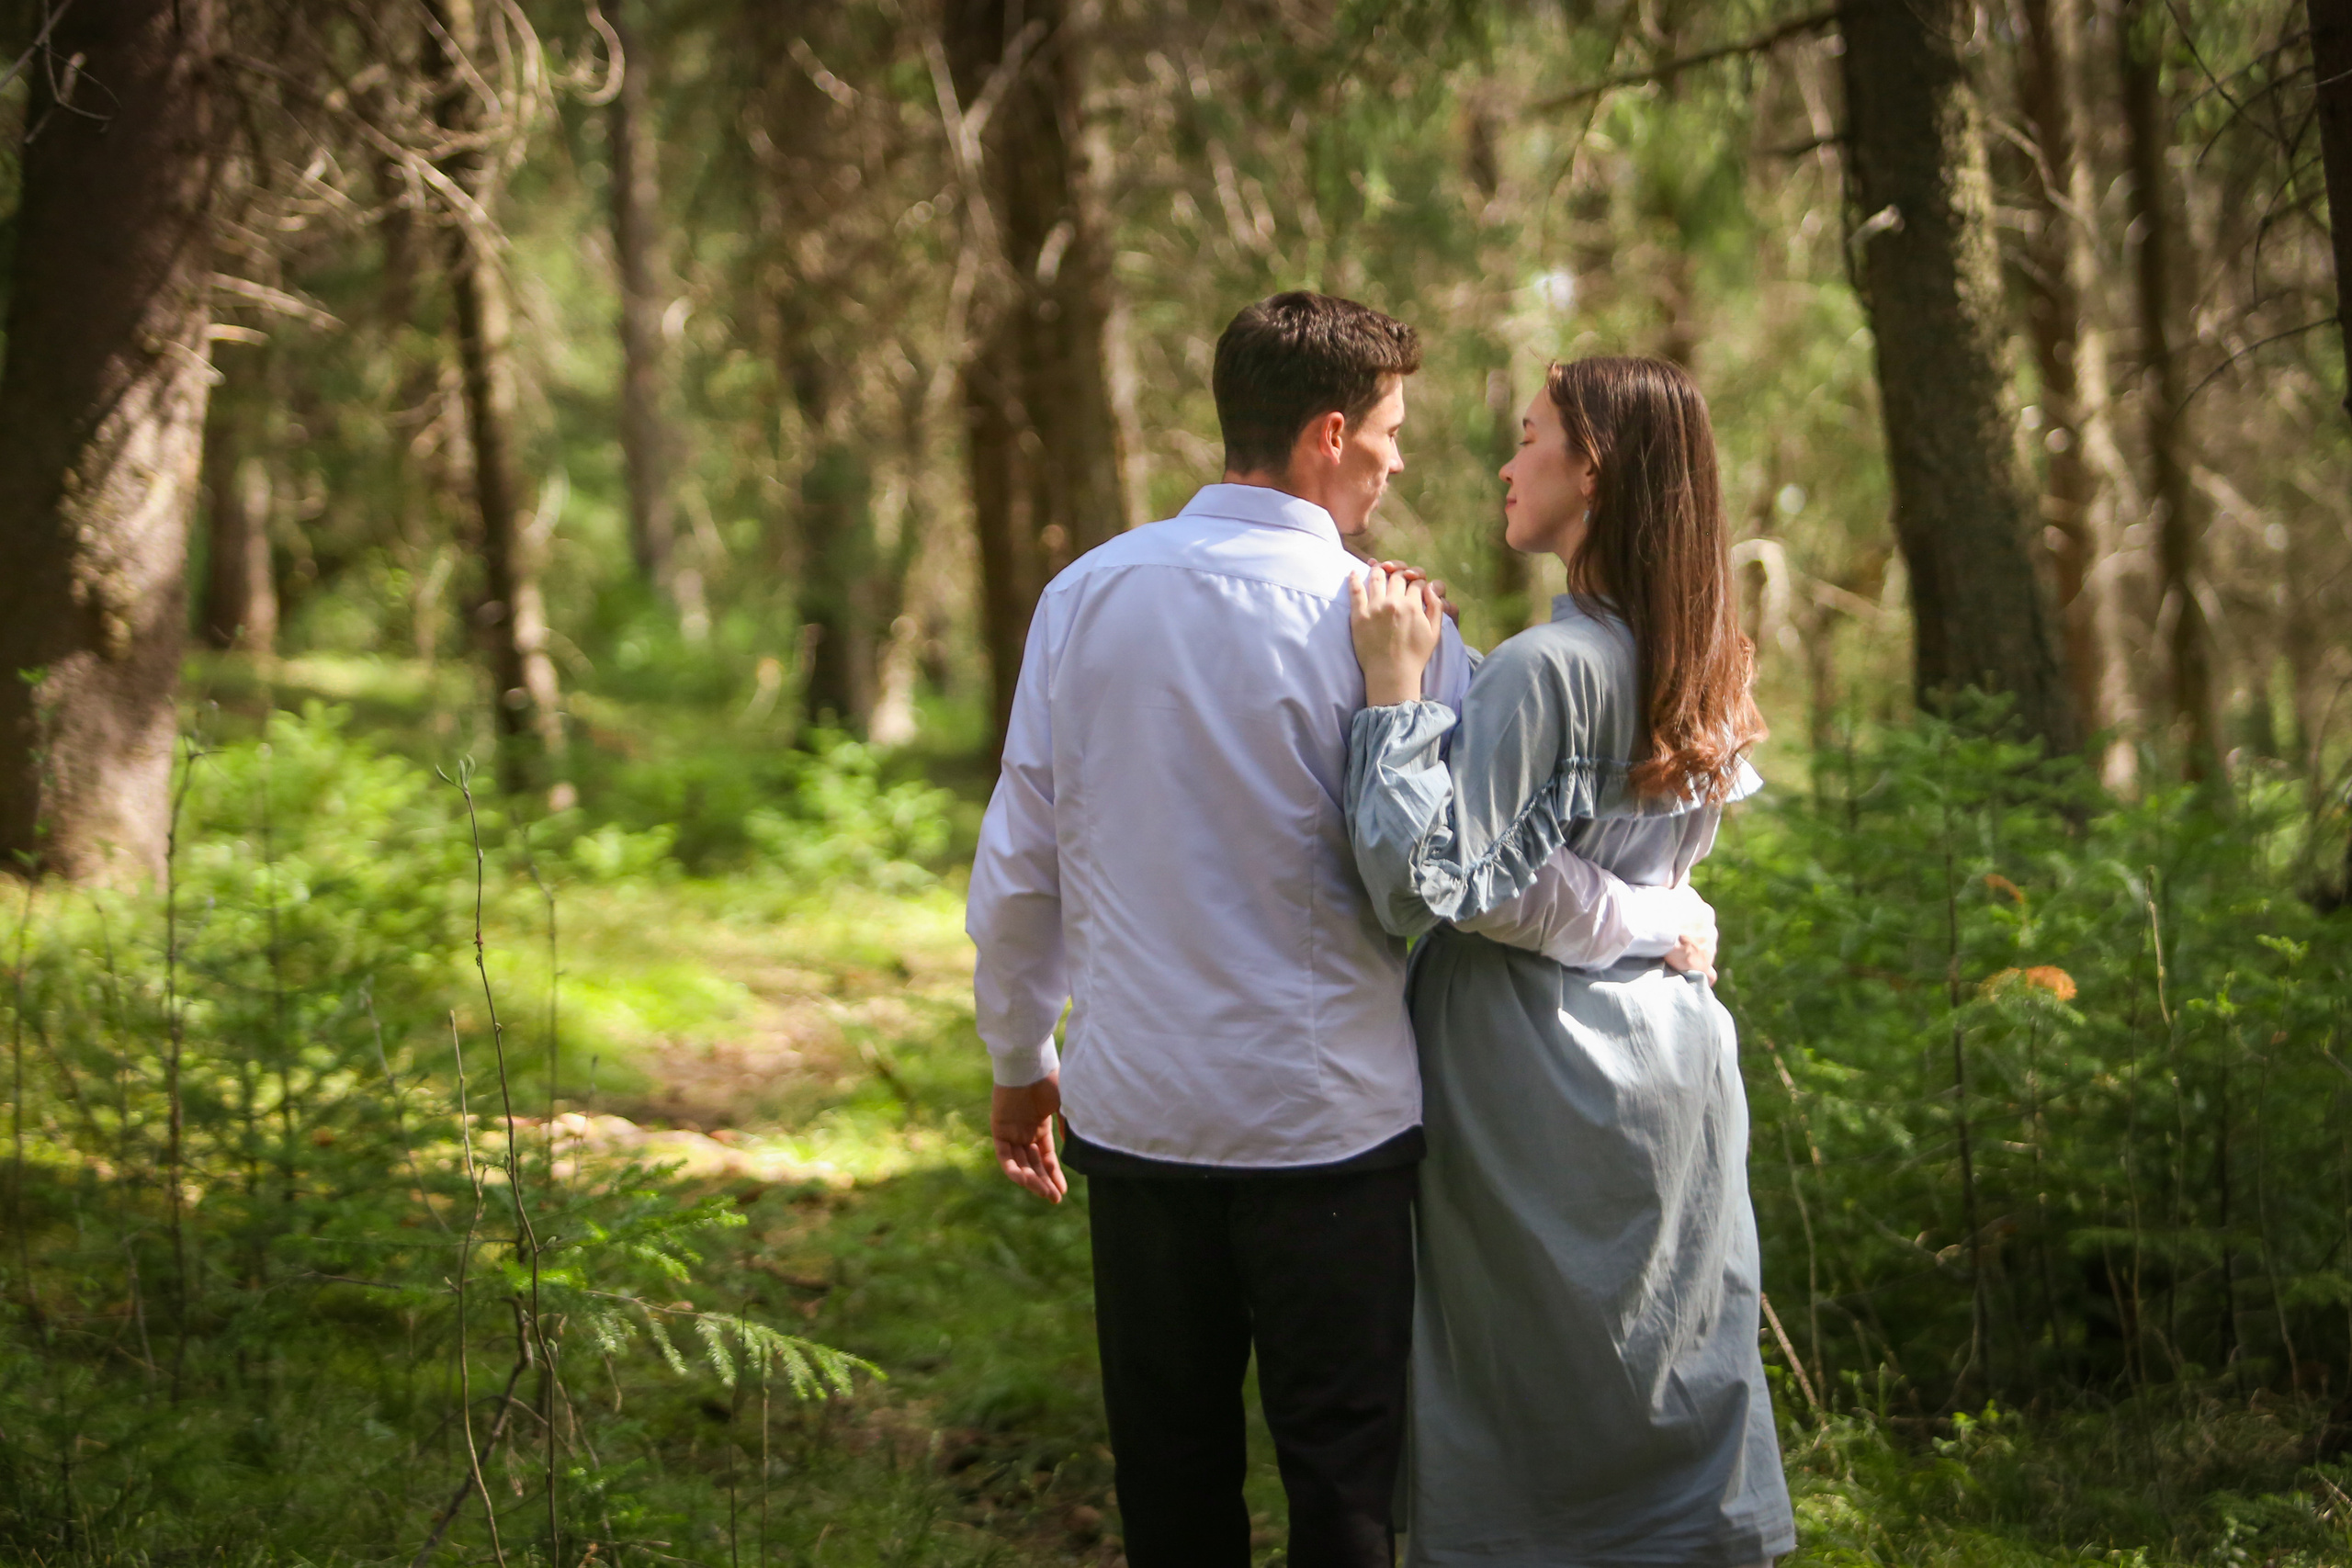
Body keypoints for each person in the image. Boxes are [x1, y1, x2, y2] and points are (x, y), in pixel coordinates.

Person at [967, 296, 1716, 1567]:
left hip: (1138, 1120)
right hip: (1330, 1135)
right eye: (1391, 429)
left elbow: (1020, 860)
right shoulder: (1399, 628)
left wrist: (1018, 1057)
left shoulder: (1082, 598)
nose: (1403, 456)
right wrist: (1656, 915)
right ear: (1328, 433)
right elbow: (1486, 879)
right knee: (1345, 1492)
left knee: (1172, 1477)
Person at [1345, 355, 1796, 1567]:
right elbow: (1650, 876)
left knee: (1528, 1373)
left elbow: (1430, 882)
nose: (1507, 459)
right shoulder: (1698, 653)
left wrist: (1395, 694)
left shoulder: (1550, 668)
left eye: (1531, 435)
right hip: (1673, 1049)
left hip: (1537, 1060)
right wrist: (1654, 917)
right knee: (1666, 1352)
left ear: (1592, 469)